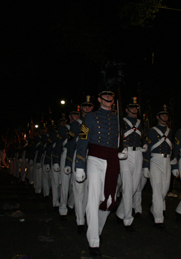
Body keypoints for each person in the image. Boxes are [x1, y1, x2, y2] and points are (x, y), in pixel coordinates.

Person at [75, 91, 124, 257]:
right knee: (93, 198)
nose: (109, 98)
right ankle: (93, 240)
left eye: (111, 96)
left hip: (111, 160)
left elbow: (118, 140)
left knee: (109, 199)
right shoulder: (90, 117)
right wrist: (79, 165)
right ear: (99, 99)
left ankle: (97, 231)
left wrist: (120, 152)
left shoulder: (117, 118)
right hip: (95, 158)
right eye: (105, 96)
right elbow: (82, 140)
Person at [142, 105, 174, 229]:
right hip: (155, 159)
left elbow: (173, 149)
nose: (165, 117)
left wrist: (174, 163)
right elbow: (147, 150)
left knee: (164, 189)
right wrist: (146, 166)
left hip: (167, 160)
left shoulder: (170, 132)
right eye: (163, 115)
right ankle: (159, 219)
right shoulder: (151, 131)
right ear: (157, 117)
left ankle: (153, 208)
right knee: (157, 189)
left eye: (166, 115)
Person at [116, 97, 145, 232]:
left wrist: (145, 144)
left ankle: (120, 212)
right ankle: (127, 219)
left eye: (136, 108)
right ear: (126, 110)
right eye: (132, 108)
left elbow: (144, 137)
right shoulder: (120, 122)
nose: (135, 110)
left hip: (138, 153)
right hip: (125, 154)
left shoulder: (141, 122)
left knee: (133, 186)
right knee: (128, 186)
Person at [71, 98, 94, 233]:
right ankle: (80, 220)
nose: (87, 109)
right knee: (79, 189)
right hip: (79, 155)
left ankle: (87, 216)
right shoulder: (76, 125)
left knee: (90, 190)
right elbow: (71, 144)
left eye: (90, 106)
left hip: (92, 156)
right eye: (85, 106)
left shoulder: (96, 121)